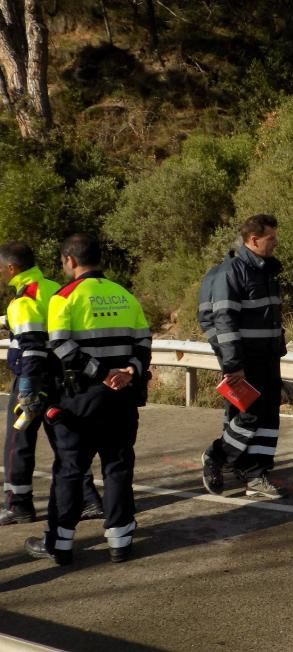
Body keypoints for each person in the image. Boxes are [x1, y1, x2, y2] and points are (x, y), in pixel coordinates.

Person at [24, 234, 151, 565]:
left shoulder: (63, 298)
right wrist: (129, 373)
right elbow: (145, 342)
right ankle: (120, 542)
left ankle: (60, 544)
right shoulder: (124, 295)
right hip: (121, 396)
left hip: (79, 398)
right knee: (118, 465)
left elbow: (61, 346)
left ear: (69, 261)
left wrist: (100, 372)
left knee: (69, 469)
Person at [0, 242, 103, 526]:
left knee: (18, 441)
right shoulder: (51, 287)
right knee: (64, 441)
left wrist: (27, 389)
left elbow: (31, 346)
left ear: (11, 268)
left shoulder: (24, 299)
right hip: (60, 375)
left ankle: (18, 504)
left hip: (32, 376)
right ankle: (88, 499)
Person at [198, 214, 287, 499]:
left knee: (269, 416)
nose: (275, 243)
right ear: (253, 239)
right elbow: (223, 321)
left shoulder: (268, 271)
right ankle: (216, 456)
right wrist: (233, 365)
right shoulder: (231, 273)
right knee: (249, 417)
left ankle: (257, 475)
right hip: (245, 362)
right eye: (270, 238)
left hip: (269, 358)